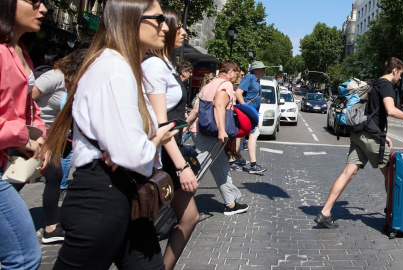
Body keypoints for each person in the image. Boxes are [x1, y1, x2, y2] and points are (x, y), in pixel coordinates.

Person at [40, 0, 176, 268]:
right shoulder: (115, 68)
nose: (165, 26)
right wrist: (156, 140)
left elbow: (128, 148)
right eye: (158, 18)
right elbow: (133, 153)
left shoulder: (121, 66)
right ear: (131, 19)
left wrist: (138, 145)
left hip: (124, 194)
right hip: (101, 196)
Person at [314, 57, 403, 229]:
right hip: (371, 137)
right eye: (400, 74)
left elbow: (372, 113)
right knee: (392, 174)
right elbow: (390, 110)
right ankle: (394, 215)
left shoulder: (375, 83)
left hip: (359, 134)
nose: (400, 77)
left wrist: (382, 134)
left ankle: (325, 212)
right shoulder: (386, 85)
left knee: (348, 173)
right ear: (394, 71)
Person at [141, 6, 199, 270]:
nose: (184, 32)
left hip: (169, 151)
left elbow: (171, 119)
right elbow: (160, 123)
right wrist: (182, 166)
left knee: (189, 217)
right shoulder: (154, 65)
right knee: (144, 223)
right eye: (179, 26)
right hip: (162, 155)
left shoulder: (166, 64)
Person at [0, 0, 47, 268]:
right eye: (34, 1)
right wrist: (22, 137)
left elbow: (29, 108)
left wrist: (38, 134)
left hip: (7, 162)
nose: (43, 10)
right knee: (23, 257)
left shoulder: (20, 50)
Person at [32, 49, 88, 244]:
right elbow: (26, 98)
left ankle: (50, 227)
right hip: (34, 135)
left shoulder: (72, 84)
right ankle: (48, 227)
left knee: (54, 176)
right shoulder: (54, 77)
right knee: (20, 177)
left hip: (52, 138)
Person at [195, 60, 249, 215]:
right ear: (230, 71)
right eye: (236, 74)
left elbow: (197, 107)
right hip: (211, 133)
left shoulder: (211, 83)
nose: (235, 78)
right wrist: (221, 130)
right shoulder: (226, 85)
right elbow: (219, 105)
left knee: (222, 168)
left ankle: (230, 203)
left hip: (202, 129)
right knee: (197, 171)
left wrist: (188, 124)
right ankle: (176, 207)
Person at [235, 61, 267, 174]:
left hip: (251, 112)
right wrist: (245, 108)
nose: (264, 71)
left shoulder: (256, 80)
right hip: (247, 112)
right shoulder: (249, 77)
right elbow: (238, 92)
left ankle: (233, 159)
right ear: (257, 70)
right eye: (262, 69)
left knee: (242, 135)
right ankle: (253, 164)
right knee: (252, 135)